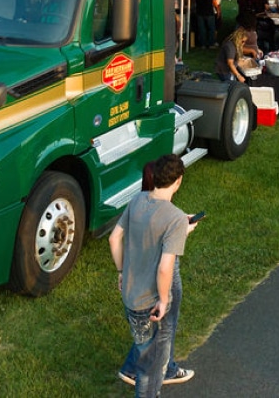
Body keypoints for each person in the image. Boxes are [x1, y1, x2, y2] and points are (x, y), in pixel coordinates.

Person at [109, 154, 197, 397]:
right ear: (178, 181)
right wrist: (163, 300)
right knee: (150, 368)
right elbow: (164, 267)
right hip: (150, 303)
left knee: (145, 350)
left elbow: (114, 238)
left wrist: (121, 271)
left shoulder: (137, 200)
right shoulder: (175, 218)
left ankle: (135, 370)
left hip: (130, 297)